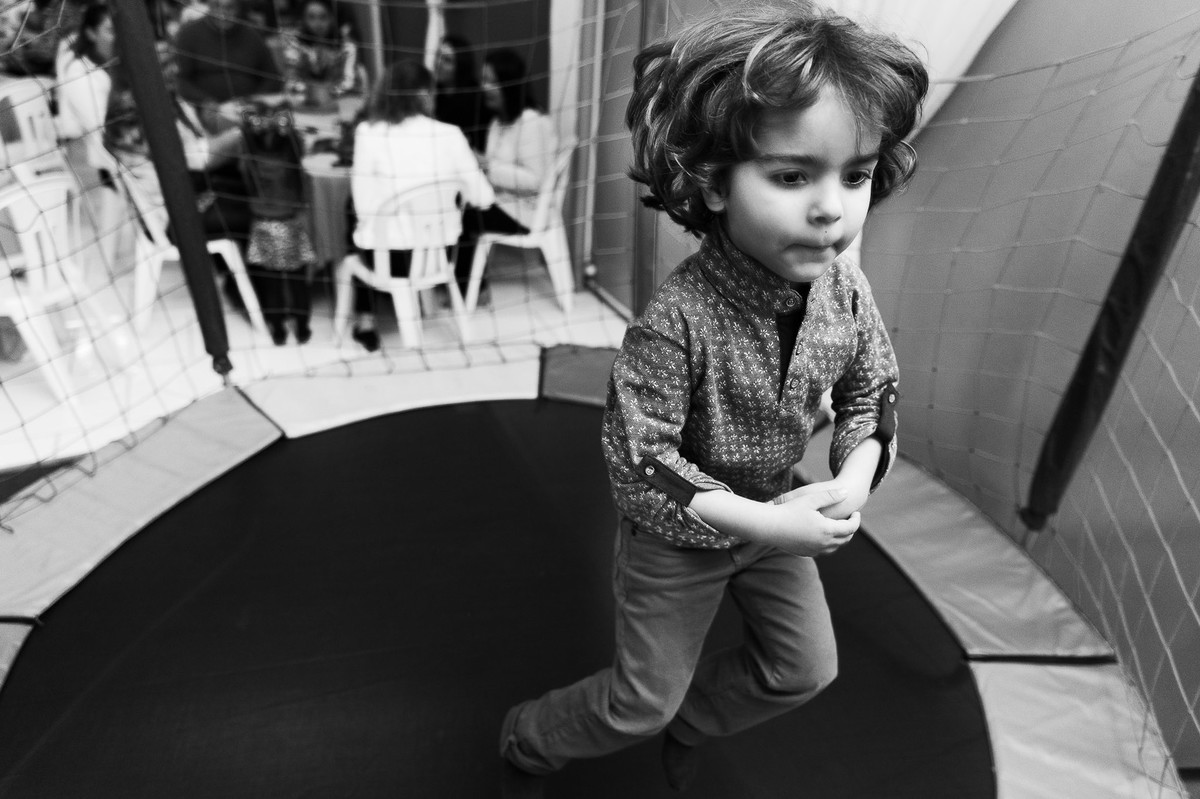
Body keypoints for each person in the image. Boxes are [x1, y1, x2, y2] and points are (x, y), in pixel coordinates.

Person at [497, 4, 928, 797]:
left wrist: (855, 474)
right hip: (679, 538)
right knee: (636, 704)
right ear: (713, 182)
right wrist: (769, 522)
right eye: (792, 175)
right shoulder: (678, 320)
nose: (832, 206)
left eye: (855, 175)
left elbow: (876, 390)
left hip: (777, 510)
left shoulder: (845, 289)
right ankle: (529, 735)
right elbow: (644, 459)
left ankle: (692, 720)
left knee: (804, 668)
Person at [347, 59, 495, 351]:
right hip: (439, 254)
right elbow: (484, 197)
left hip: (392, 259)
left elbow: (364, 210)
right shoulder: (450, 134)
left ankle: (366, 316)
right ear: (424, 93)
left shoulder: (368, 132)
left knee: (349, 212)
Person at [452, 48, 545, 299]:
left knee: (465, 216)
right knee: (454, 204)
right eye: (484, 80)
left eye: (491, 81)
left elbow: (535, 182)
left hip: (523, 211)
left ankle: (472, 291)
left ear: (509, 84)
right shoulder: (496, 122)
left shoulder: (530, 121)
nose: (484, 87)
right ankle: (455, 282)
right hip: (500, 201)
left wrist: (486, 165)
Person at [173, 0, 282, 108]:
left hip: (251, 107)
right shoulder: (189, 35)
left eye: (230, 7)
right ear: (209, 6)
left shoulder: (252, 35)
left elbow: (273, 77)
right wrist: (206, 102)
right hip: (209, 109)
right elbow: (182, 81)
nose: (223, 13)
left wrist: (256, 100)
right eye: (217, 6)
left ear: (238, 8)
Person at [279, 0, 363, 97]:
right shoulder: (294, 45)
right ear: (303, 19)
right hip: (304, 103)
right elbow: (291, 81)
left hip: (341, 103)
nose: (317, 23)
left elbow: (349, 83)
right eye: (311, 17)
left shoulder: (347, 47)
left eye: (323, 17)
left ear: (332, 18)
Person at [433, 34, 490, 152]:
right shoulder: (433, 94)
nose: (438, 63)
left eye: (447, 60)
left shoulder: (476, 99)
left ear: (460, 66)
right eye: (438, 55)